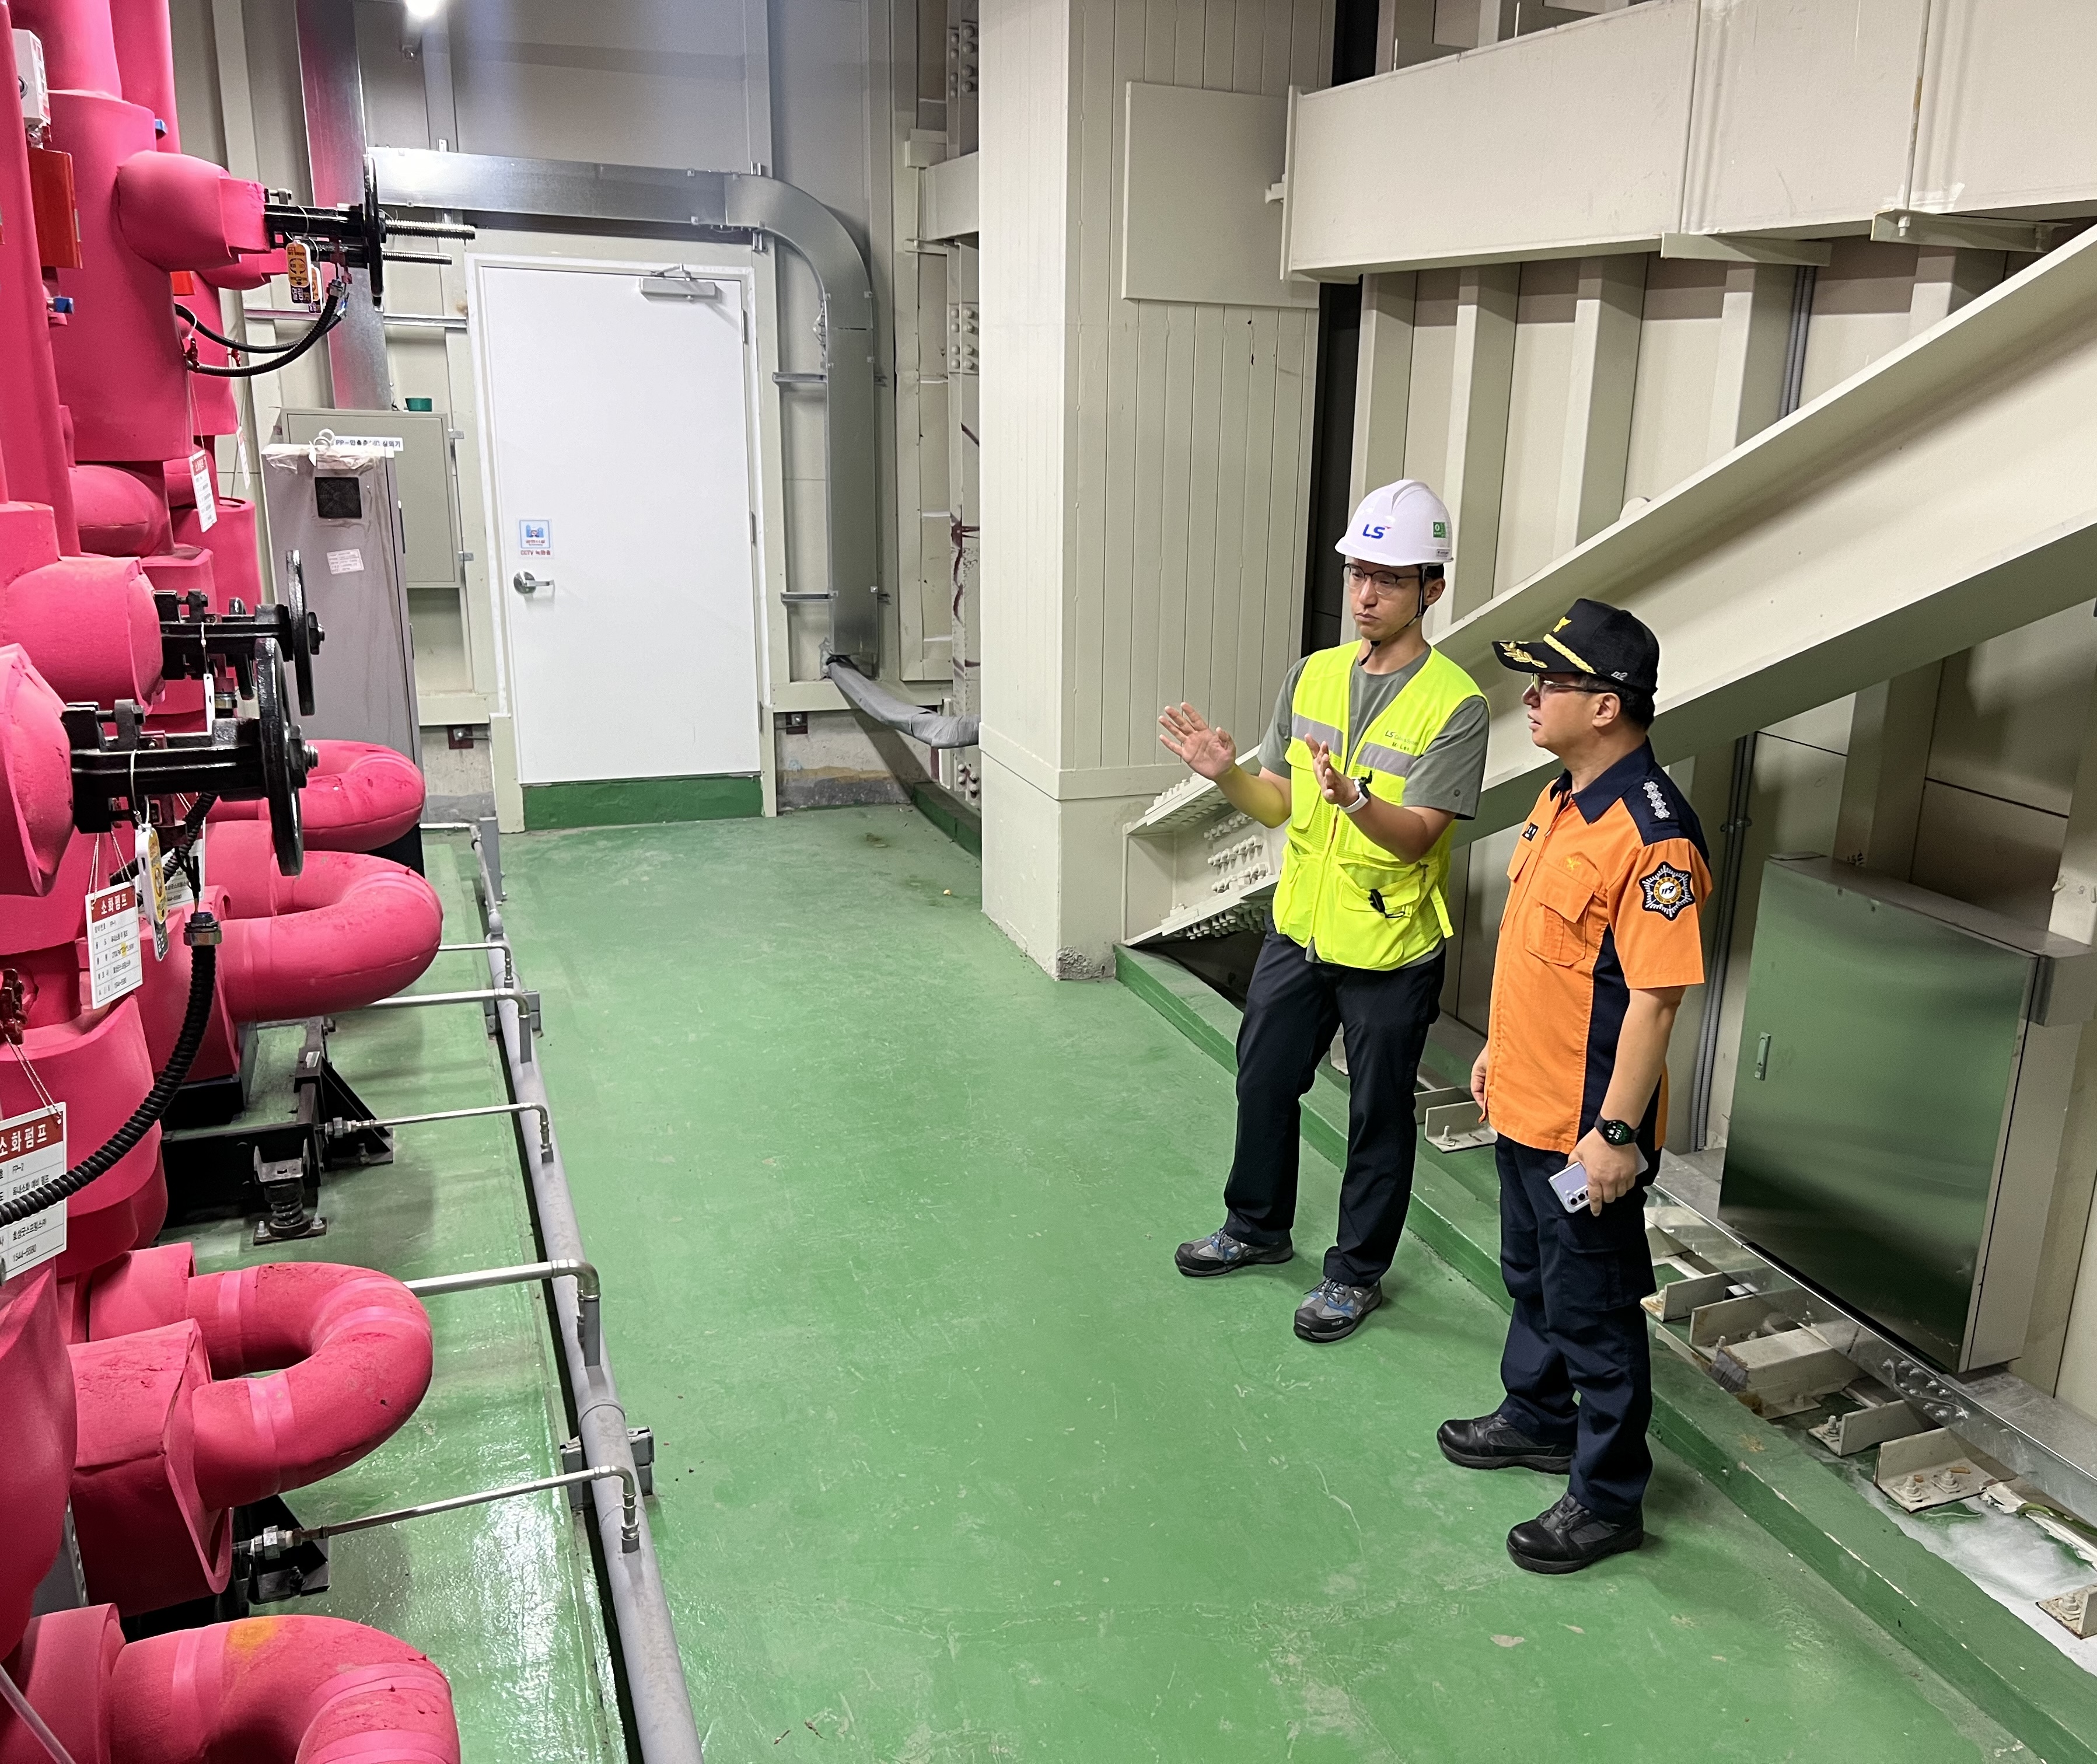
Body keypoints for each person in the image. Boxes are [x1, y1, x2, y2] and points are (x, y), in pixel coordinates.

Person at [1158, 480, 1489, 1342]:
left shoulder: (1455, 704)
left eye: (1388, 579)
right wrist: (1226, 775)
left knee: (1376, 1117)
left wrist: (1355, 801)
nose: (1366, 595)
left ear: (1432, 588)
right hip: (1300, 932)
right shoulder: (1312, 675)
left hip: (1390, 949)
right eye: (1357, 575)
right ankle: (1255, 1228)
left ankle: (1354, 1274)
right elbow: (1276, 803)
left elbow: (1419, 836)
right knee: (1263, 1079)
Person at [1437, 599, 1710, 1574]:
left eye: (1549, 682)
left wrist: (1614, 1134)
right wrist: (1495, 1051)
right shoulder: (1560, 800)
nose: (1530, 697)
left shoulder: (1654, 836)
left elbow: (1654, 1003)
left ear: (1605, 706)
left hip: (1584, 1132)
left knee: (1593, 1310)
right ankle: (1537, 1416)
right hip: (1524, 1099)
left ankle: (1606, 1499)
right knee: (1531, 1277)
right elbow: (1540, 959)